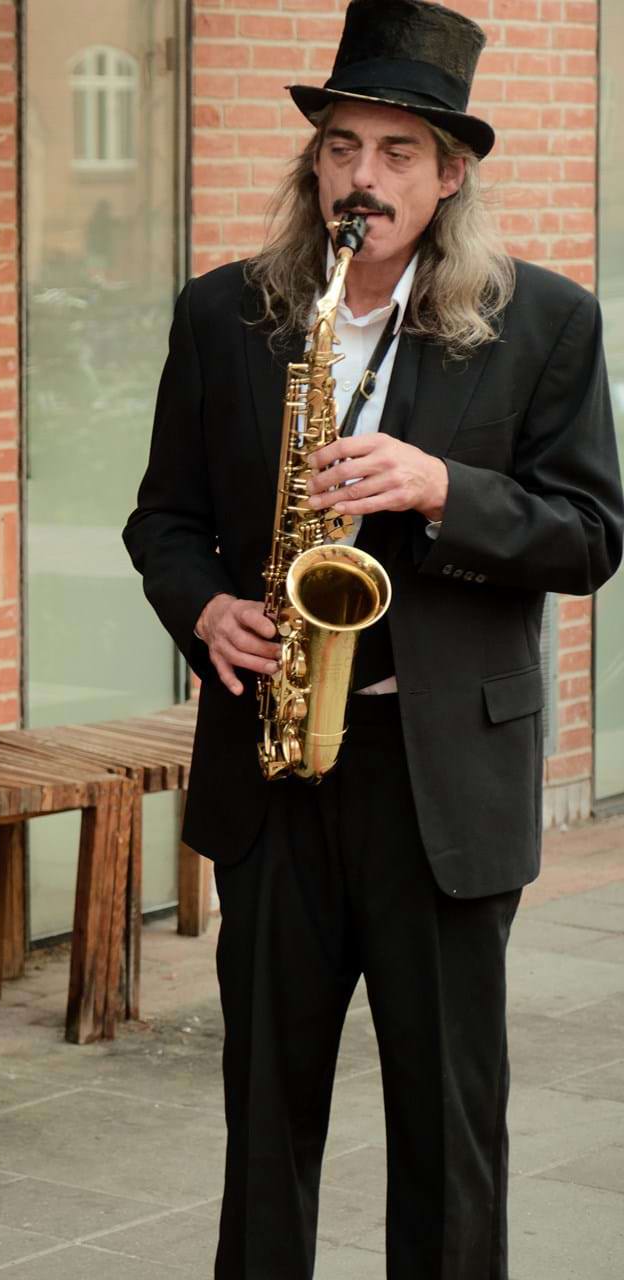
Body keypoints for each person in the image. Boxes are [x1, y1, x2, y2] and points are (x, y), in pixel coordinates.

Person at [124, 3, 624, 1276]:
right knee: (264, 1122)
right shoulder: (227, 313)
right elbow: (163, 519)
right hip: (276, 764)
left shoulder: (546, 321)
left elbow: (590, 534)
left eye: (398, 152)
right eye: (342, 146)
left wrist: (444, 487)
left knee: (448, 1133)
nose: (364, 176)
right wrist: (205, 606)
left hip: (440, 773)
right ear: (316, 164)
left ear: (451, 173)